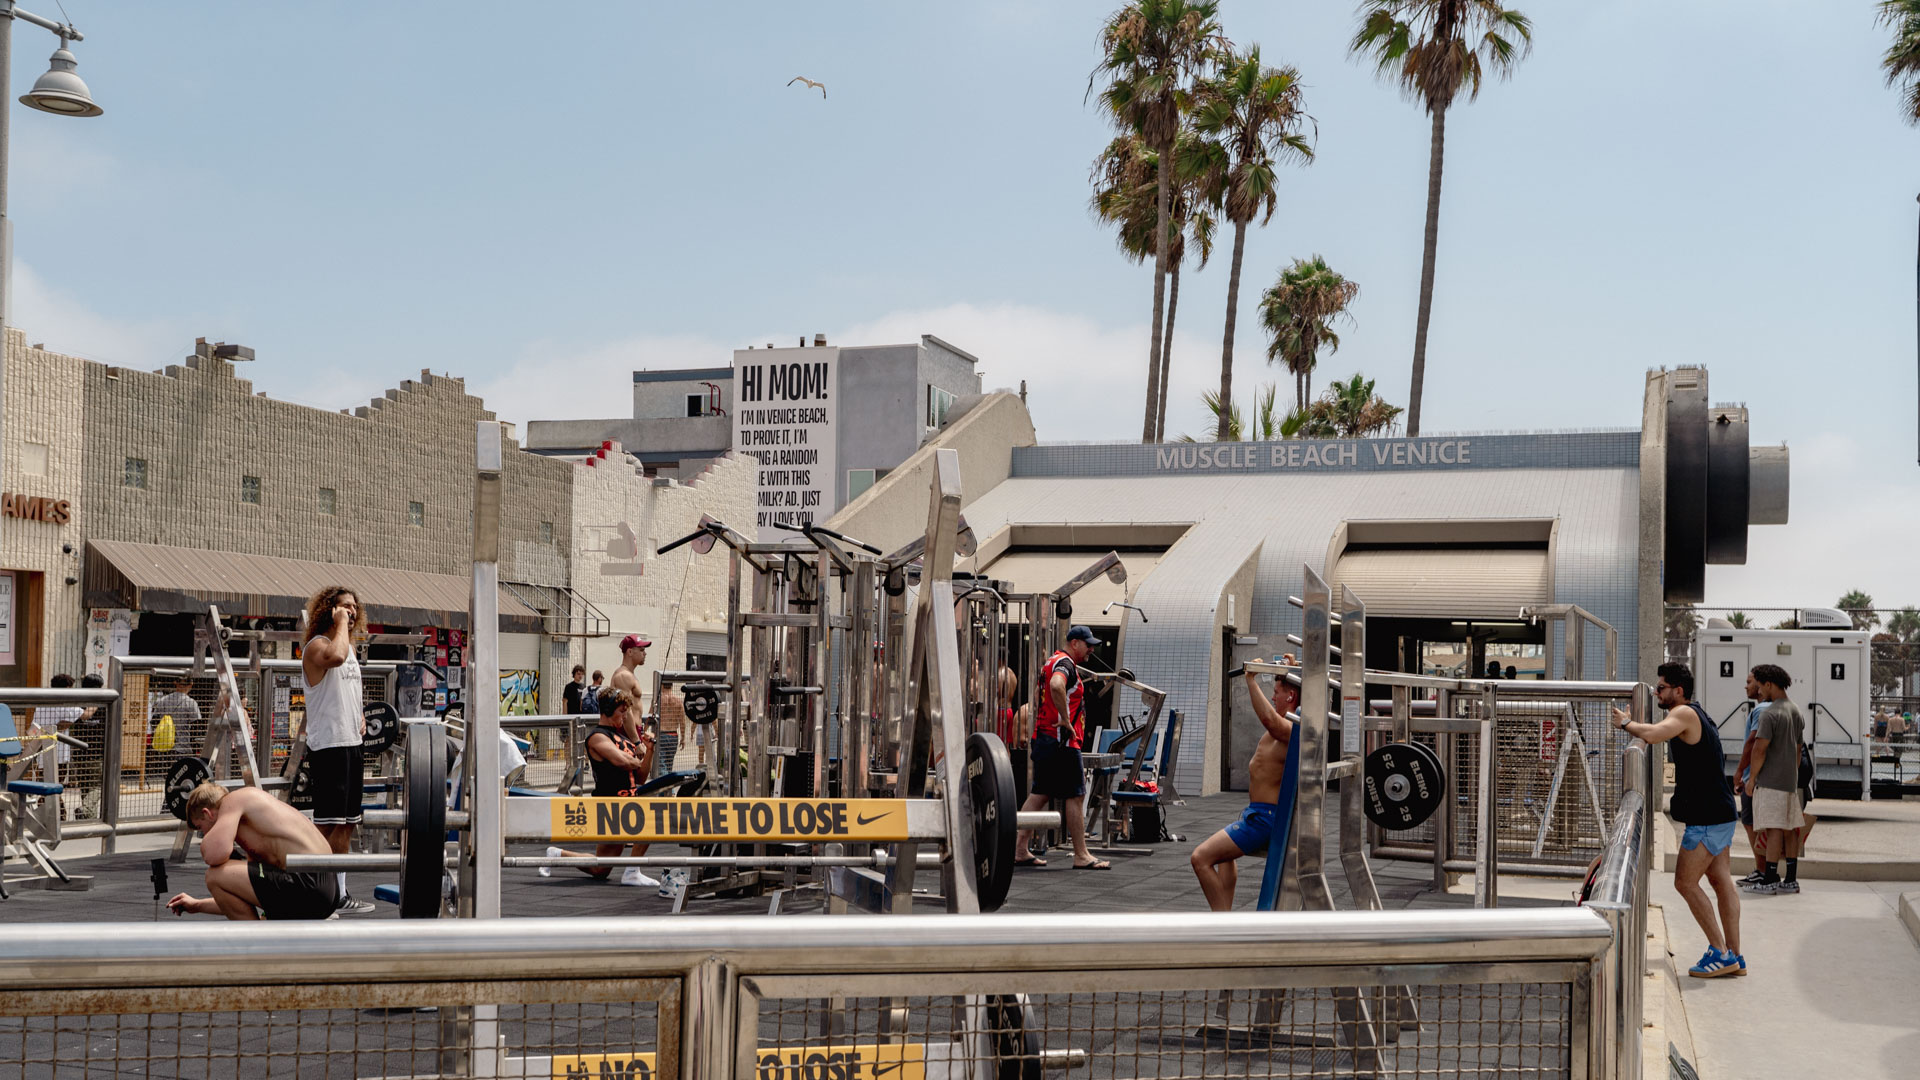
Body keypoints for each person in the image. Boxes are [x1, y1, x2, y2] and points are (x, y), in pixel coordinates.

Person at [1613, 663, 1744, 977]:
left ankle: (1720, 951)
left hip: (1707, 818)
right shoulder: (1693, 712)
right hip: (1719, 811)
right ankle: (1735, 956)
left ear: (1678, 691)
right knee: (1720, 880)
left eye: (1661, 688)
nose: (1658, 692)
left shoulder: (1684, 714)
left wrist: (1626, 723)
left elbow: (1656, 735)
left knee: (1685, 882)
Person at [1190, 655, 1300, 911]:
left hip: (1266, 818)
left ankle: (1223, 924)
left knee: (1200, 858)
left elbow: (1269, 720)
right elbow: (1273, 718)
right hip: (1255, 814)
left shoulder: (1294, 729)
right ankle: (1225, 914)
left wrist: (1251, 680)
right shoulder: (1284, 726)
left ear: (1291, 696)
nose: (1273, 698)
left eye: (1276, 692)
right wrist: (1291, 667)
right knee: (1226, 858)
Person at [300, 585, 375, 915]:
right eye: (345, 607)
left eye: (354, 607)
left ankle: (339, 894)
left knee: (346, 823)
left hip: (351, 744)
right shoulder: (317, 646)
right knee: (325, 825)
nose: (352, 612)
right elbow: (336, 658)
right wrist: (342, 623)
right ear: (329, 610)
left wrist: (358, 714)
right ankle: (312, 890)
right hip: (328, 746)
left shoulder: (349, 648)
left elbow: (347, 685)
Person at [1012, 626, 1110, 870]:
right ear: (1074, 643)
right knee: (1076, 795)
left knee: (1039, 794)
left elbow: (1039, 693)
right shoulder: (1065, 664)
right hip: (1062, 740)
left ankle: (1019, 849)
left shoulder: (1052, 661)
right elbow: (1056, 686)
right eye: (1087, 645)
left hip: (1046, 737)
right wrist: (1066, 720)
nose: (1091, 649)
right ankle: (1081, 855)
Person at [167, 782, 339, 919]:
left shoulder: (233, 800)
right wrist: (197, 905)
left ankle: (257, 946)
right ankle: (263, 940)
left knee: (215, 875)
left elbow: (213, 854)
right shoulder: (255, 827)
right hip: (323, 890)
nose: (203, 834)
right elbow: (239, 900)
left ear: (208, 813)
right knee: (225, 877)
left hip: (309, 884)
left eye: (200, 827)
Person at [543, 687, 660, 887]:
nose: (625, 716)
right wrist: (635, 753)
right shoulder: (597, 737)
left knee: (600, 870)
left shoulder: (623, 739)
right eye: (621, 711)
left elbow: (640, 777)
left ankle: (556, 854)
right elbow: (624, 762)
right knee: (650, 815)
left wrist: (649, 750)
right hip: (610, 806)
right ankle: (632, 871)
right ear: (607, 710)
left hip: (625, 803)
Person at [1741, 664, 1806, 896]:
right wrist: (1792, 773)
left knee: (1773, 829)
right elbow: (1798, 750)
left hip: (1770, 781)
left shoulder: (1770, 713)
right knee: (1789, 830)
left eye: (1760, 687)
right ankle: (1790, 879)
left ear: (1769, 685)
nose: (1759, 692)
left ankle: (1768, 878)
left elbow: (1759, 749)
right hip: (1789, 781)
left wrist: (1752, 779)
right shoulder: (1795, 711)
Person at [151, 674, 203, 784]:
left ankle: (167, 798)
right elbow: (196, 727)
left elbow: (154, 721)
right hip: (183, 747)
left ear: (175, 683)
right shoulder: (191, 703)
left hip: (165, 747)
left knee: (168, 777)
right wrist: (195, 748)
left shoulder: (163, 700)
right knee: (182, 778)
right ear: (191, 685)